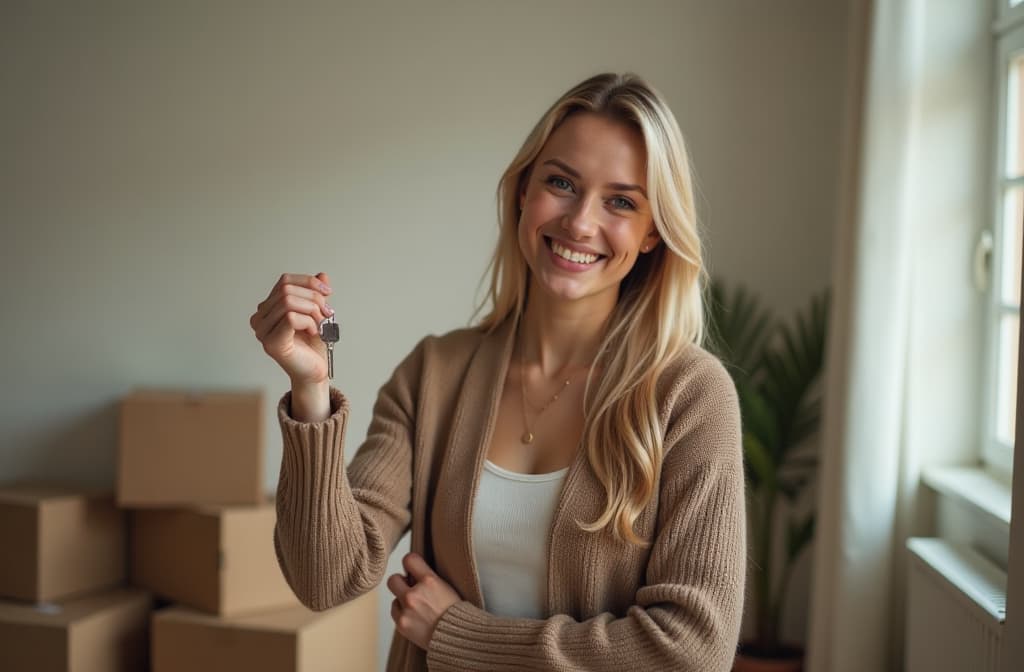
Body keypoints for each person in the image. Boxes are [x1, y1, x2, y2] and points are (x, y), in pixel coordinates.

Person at [249, 72, 746, 672]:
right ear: (522, 193)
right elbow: (325, 578)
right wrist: (310, 389)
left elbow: (693, 651)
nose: (581, 222)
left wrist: (460, 635)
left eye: (621, 201)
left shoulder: (691, 395)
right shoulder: (434, 373)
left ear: (651, 235)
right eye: (561, 182)